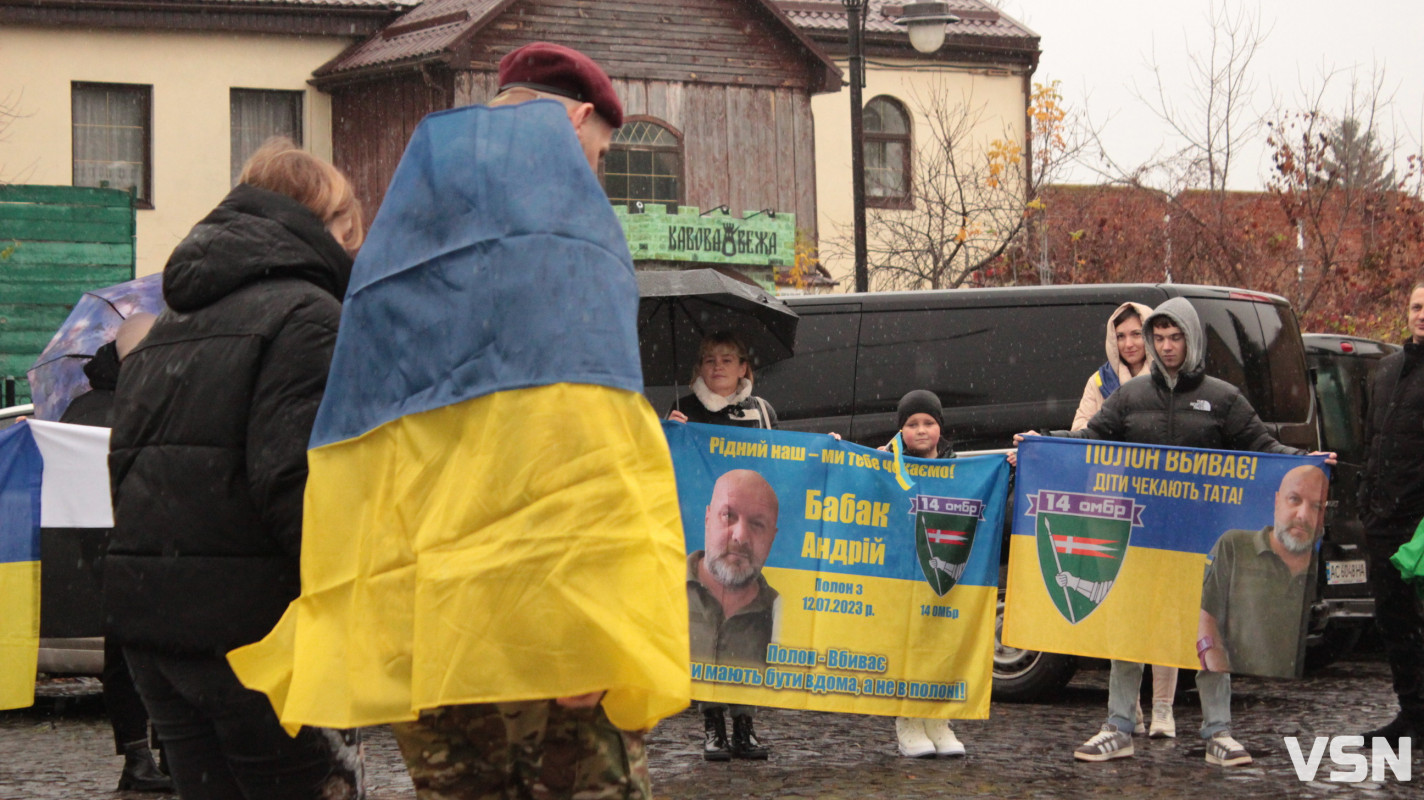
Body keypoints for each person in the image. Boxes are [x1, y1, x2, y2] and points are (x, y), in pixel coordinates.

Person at [104, 139, 364, 800]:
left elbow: (126, 467)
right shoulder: (310, 316)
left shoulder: (176, 319)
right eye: (348, 229)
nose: (355, 248)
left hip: (155, 629)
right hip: (252, 640)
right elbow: (296, 484)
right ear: (320, 223)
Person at [1014, 297, 1332, 768]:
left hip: (1201, 543)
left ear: (1191, 339)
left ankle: (1218, 732)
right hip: (1141, 543)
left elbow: (1262, 446)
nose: (1165, 347)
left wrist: (1308, 464)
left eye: (1175, 337)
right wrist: (1040, 445)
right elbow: (1089, 442)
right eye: (1158, 338)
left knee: (1209, 635)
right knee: (1130, 632)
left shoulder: (1222, 399)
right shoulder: (1130, 397)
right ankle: (1118, 726)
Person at [57, 313, 170, 793]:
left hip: (104, 548)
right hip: (147, 543)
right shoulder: (150, 400)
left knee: (130, 651)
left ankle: (144, 756)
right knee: (155, 651)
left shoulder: (79, 408)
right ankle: (154, 756)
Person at [1072, 302, 1178, 739]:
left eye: (1137, 334)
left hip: (1166, 509)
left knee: (1165, 614)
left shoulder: (1170, 382)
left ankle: (1165, 709)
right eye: (1122, 336)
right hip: (1117, 508)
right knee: (1124, 612)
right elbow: (1082, 430)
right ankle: (1128, 707)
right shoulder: (1100, 381)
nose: (1130, 343)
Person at [669, 331, 776, 760]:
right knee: (709, 624)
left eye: (727, 360)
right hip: (706, 529)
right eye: (709, 360)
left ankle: (744, 722)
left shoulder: (763, 411)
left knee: (748, 626)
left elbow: (784, 461)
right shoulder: (685, 410)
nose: (718, 367)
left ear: (743, 367)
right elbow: (667, 467)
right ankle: (712, 721)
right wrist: (670, 434)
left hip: (748, 532)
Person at [1355, 279, 1424, 748]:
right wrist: (1366, 497)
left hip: (1421, 523)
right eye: (1417, 306)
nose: (1423, 314)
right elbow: (1372, 440)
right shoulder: (1387, 370)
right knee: (1393, 624)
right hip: (1383, 521)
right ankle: (1414, 714)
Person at [881, 390, 966, 759]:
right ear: (900, 431)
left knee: (939, 643)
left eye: (928, 423)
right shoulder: (888, 464)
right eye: (911, 424)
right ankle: (908, 720)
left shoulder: (957, 467)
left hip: (941, 572)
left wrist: (1010, 466)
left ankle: (938, 719)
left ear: (940, 429)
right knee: (906, 643)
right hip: (903, 569)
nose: (920, 430)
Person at [1198, 465, 1328, 678]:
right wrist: (1218, 666)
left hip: (1294, 697)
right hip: (1237, 688)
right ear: (1277, 501)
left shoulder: (1320, 564)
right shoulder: (1234, 545)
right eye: (1294, 499)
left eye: (1316, 506)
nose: (1303, 515)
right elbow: (1207, 617)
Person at [688, 469, 782, 670]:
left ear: (772, 538)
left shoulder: (786, 617)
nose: (741, 536)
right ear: (707, 519)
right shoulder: (655, 588)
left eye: (757, 524)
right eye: (728, 515)